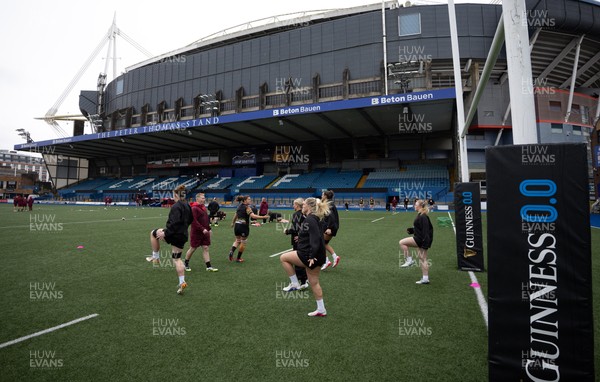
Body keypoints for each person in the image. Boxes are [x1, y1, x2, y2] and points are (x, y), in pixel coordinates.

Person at [280, 197, 330, 316]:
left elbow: (315, 239)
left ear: (309, 207)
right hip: (318, 256)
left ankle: (295, 283)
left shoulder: (310, 219)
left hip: (308, 255)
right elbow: (315, 235)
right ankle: (321, 309)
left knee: (283, 258)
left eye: (303, 205)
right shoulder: (316, 219)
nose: (302, 207)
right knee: (314, 282)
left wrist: (311, 256)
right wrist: (302, 237)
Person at [146, 185, 193, 295]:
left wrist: (165, 233)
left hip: (173, 233)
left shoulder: (176, 206)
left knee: (153, 233)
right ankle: (182, 282)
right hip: (183, 235)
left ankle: (155, 257)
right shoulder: (187, 205)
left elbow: (174, 223)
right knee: (177, 259)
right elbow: (190, 219)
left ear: (176, 194)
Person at [399, 199, 433, 285]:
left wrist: (425, 244)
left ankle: (409, 260)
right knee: (423, 259)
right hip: (421, 239)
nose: (414, 206)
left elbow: (426, 231)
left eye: (415, 205)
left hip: (420, 240)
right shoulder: (421, 215)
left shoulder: (423, 216)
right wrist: (412, 230)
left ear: (420, 206)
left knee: (402, 242)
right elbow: (420, 229)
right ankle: (425, 279)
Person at [228, 195, 269, 262]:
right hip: (243, 226)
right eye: (249, 199)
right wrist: (263, 217)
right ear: (245, 200)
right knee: (243, 242)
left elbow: (235, 215)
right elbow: (253, 216)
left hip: (237, 225)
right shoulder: (247, 207)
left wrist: (232, 223)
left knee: (237, 240)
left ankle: (231, 251)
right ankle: (238, 258)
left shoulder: (239, 206)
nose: (250, 200)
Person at [184, 193, 218, 272]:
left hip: (205, 232)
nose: (204, 199)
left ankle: (208, 266)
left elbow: (206, 219)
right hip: (196, 232)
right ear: (197, 199)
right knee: (193, 248)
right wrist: (202, 229)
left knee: (206, 248)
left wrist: (209, 229)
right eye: (202, 198)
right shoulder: (194, 208)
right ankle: (185, 264)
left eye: (204, 198)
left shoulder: (203, 207)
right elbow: (194, 221)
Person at [283, 198, 309, 291]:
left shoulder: (296, 214)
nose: (293, 206)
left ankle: (299, 281)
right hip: (305, 240)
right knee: (301, 259)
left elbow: (295, 229)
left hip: (298, 240)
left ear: (297, 205)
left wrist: (287, 231)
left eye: (294, 204)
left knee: (297, 259)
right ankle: (304, 279)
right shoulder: (305, 214)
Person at [321, 190, 340, 270]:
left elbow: (331, 216)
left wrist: (329, 227)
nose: (321, 196)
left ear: (325, 196)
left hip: (330, 228)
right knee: (324, 244)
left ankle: (327, 261)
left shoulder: (328, 204)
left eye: (322, 195)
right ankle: (335, 257)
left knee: (320, 244)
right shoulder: (330, 203)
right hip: (332, 227)